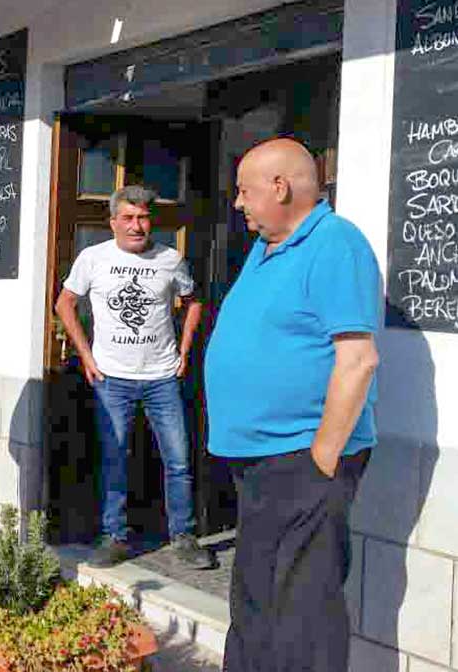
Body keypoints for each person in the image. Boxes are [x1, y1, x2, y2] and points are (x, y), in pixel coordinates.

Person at [205, 138, 380, 672]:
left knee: (303, 612)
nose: (237, 204)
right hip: (261, 460)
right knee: (257, 597)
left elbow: (358, 359)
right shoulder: (268, 247)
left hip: (302, 457)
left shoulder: (335, 244)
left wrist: (320, 460)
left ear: (280, 187)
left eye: (244, 191)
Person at [54, 184, 214, 570]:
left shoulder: (170, 259)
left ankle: (183, 536)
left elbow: (194, 303)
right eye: (128, 218)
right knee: (114, 458)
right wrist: (86, 355)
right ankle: (114, 536)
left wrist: (185, 350)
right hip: (112, 377)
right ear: (112, 222)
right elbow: (64, 304)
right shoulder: (93, 258)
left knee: (177, 459)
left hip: (162, 376)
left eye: (143, 217)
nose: (137, 226)